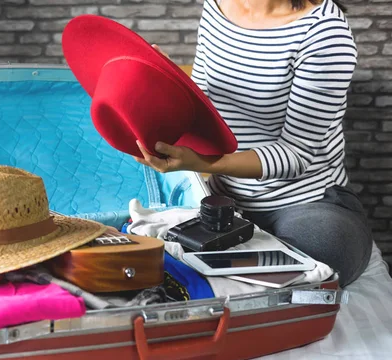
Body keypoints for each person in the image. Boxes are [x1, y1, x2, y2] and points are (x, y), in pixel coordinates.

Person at [135, 0, 373, 287]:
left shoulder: (325, 32)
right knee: (156, 258)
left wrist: (201, 162)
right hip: (226, 200)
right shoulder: (216, 6)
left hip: (307, 202)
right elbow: (205, 104)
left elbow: (295, 155)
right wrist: (167, 80)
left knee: (316, 264)